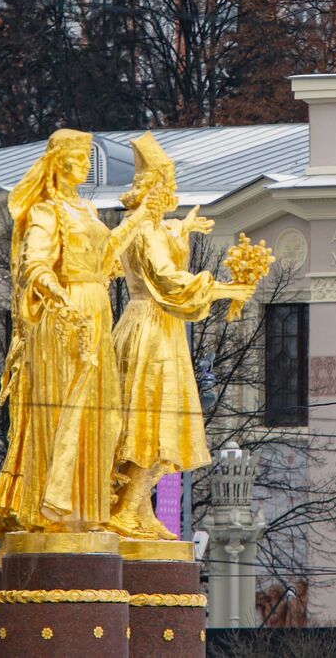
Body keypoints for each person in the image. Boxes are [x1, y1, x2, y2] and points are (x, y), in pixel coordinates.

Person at [0, 129, 144, 535]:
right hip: (63, 317)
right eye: (79, 156)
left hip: (96, 308)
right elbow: (36, 263)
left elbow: (106, 260)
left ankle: (86, 510)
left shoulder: (87, 211)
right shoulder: (45, 212)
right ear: (59, 161)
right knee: (62, 412)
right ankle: (53, 508)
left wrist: (139, 219)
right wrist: (57, 294)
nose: (86, 164)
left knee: (102, 415)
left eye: (88, 156)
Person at [109, 133, 254, 539]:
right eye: (167, 185)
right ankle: (126, 511)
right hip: (152, 330)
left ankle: (137, 511)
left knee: (161, 425)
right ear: (152, 190)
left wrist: (181, 230)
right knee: (152, 424)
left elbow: (162, 257)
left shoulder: (150, 227)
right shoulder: (143, 230)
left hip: (156, 327)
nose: (172, 192)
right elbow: (165, 279)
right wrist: (224, 289)